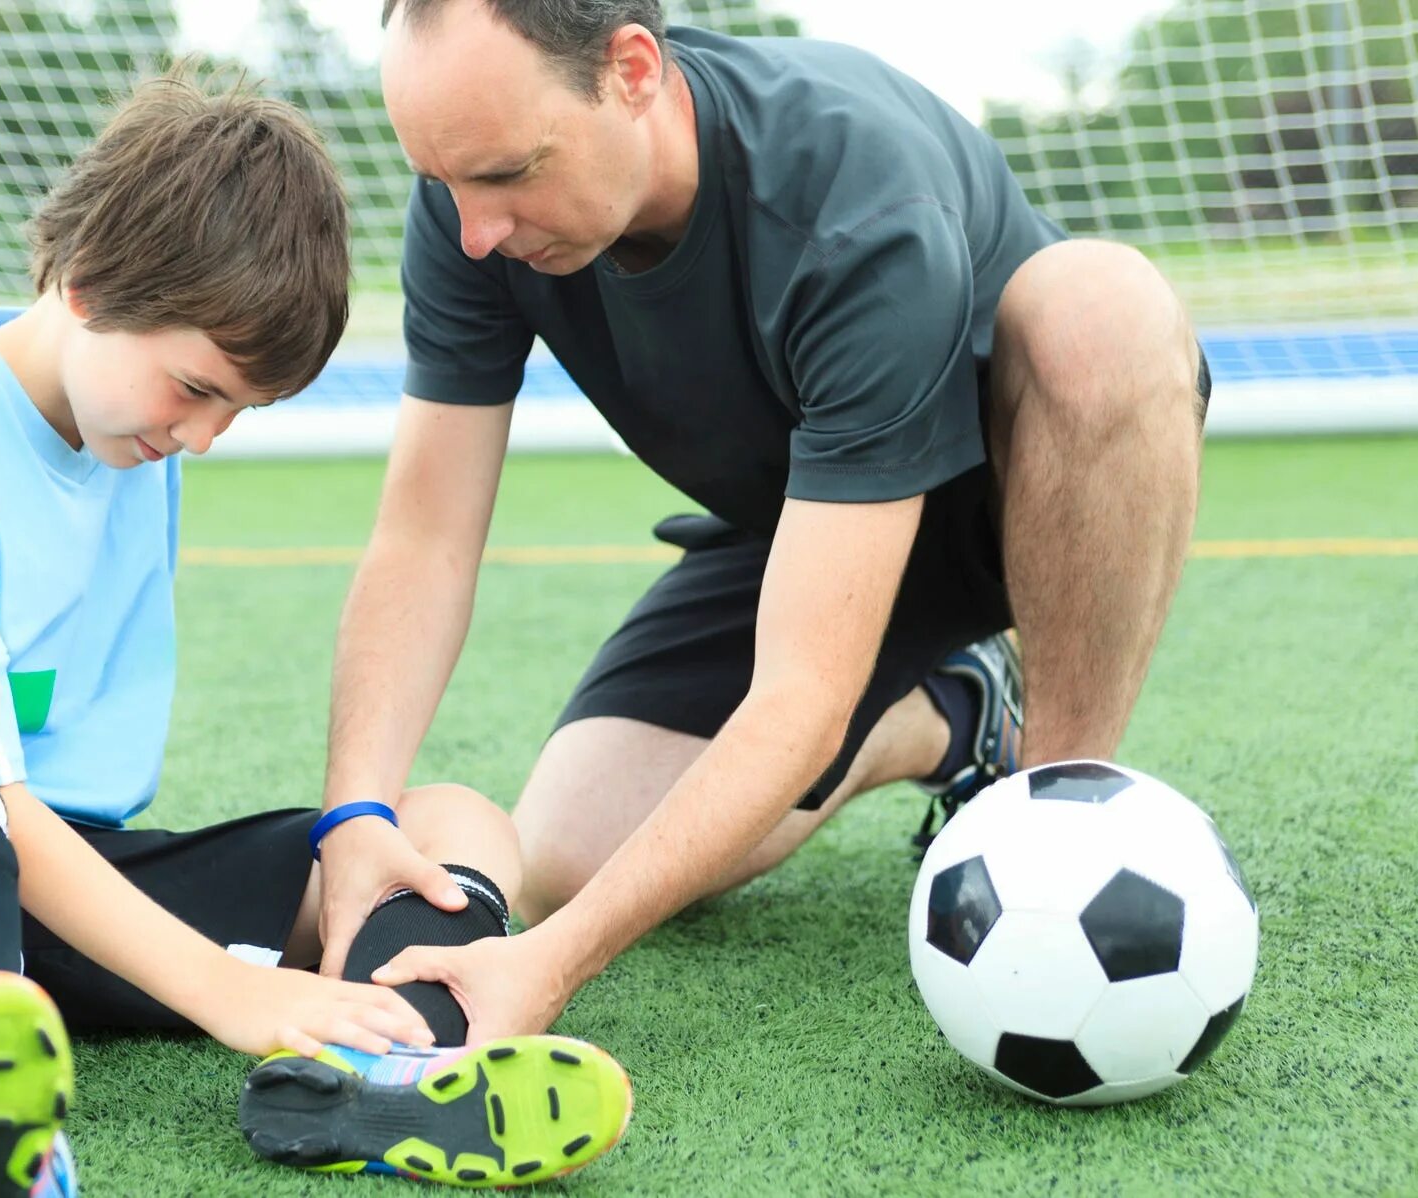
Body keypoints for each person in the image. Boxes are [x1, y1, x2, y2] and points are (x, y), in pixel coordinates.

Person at [0, 70, 632, 1197]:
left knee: (446, 821)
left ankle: (388, 1071)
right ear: (87, 283)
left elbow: (54, 825)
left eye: (236, 410)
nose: (206, 437)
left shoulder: (129, 431)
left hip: (49, 881)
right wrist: (231, 992)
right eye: (195, 388)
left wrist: (349, 835)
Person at [311, 1, 1214, 1041]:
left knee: (1103, 308)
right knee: (568, 847)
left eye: (509, 175)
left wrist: (548, 966)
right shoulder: (470, 218)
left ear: (634, 70)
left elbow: (801, 695)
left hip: (1011, 506)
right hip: (809, 522)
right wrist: (356, 813)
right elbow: (423, 538)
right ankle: (953, 708)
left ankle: (1050, 814)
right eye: (444, 180)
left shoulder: (849, 200)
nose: (477, 231)